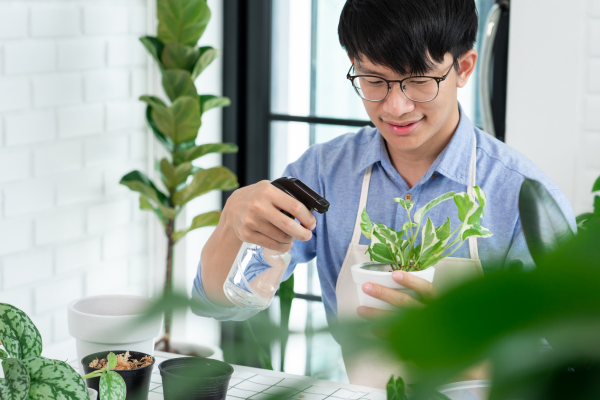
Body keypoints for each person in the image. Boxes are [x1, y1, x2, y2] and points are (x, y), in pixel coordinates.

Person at [192, 0, 576, 388]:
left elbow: (563, 372)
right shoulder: (324, 173)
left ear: (463, 68)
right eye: (374, 81)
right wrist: (231, 224)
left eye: (419, 81)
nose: (395, 107)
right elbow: (220, 306)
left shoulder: (522, 197)